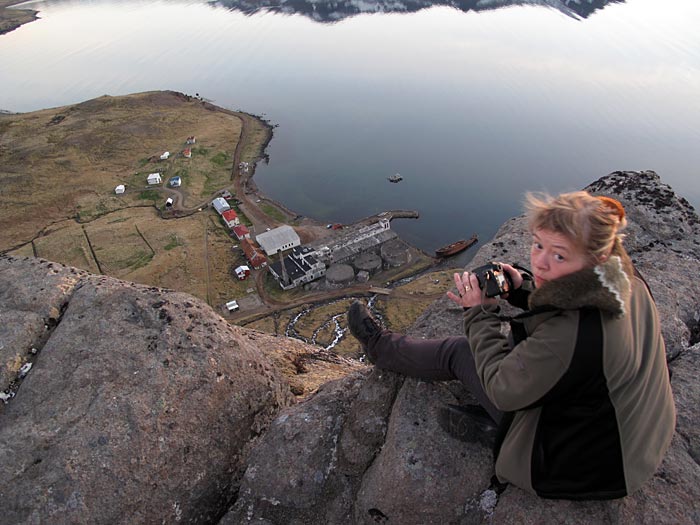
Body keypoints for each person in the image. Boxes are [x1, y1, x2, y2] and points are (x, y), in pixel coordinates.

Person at [347, 191, 675, 500]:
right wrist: (522, 289)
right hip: (642, 440)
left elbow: (504, 387)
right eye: (538, 245)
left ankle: (379, 347)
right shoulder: (624, 281)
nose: (542, 262)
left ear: (596, 258)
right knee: (520, 353)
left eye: (559, 254)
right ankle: (511, 427)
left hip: (582, 468)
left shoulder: (569, 339)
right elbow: (571, 309)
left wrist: (477, 311)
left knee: (460, 352)